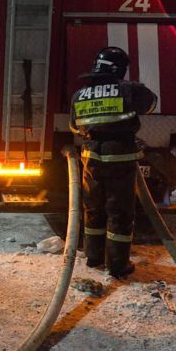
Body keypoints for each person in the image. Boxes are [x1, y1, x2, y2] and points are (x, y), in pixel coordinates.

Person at [69, 47, 157, 278]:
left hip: (91, 158)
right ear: (119, 69)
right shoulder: (130, 90)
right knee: (119, 212)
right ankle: (118, 265)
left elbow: (75, 126)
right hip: (120, 157)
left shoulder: (79, 94)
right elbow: (150, 104)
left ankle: (94, 257)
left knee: (94, 209)